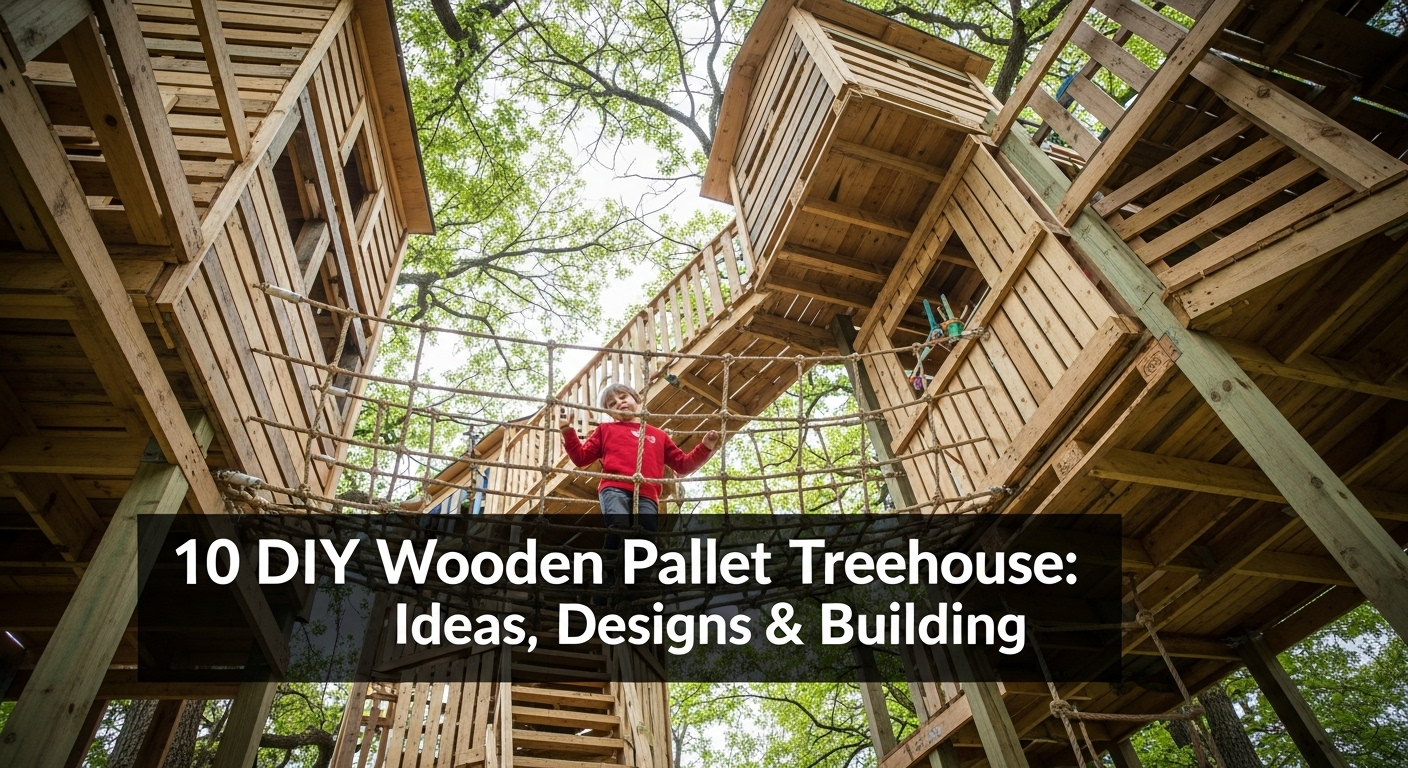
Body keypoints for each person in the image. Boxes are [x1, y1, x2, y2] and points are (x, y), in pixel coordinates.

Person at [558, 382, 719, 546]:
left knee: (646, 538)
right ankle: (609, 567)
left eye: (623, 397)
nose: (619, 403)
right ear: (610, 413)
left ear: (637, 400)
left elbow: (683, 465)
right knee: (619, 528)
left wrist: (705, 447)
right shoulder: (605, 430)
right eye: (612, 404)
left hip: (648, 492)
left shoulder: (659, 435)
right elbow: (580, 458)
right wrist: (566, 429)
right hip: (614, 487)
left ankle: (639, 571)